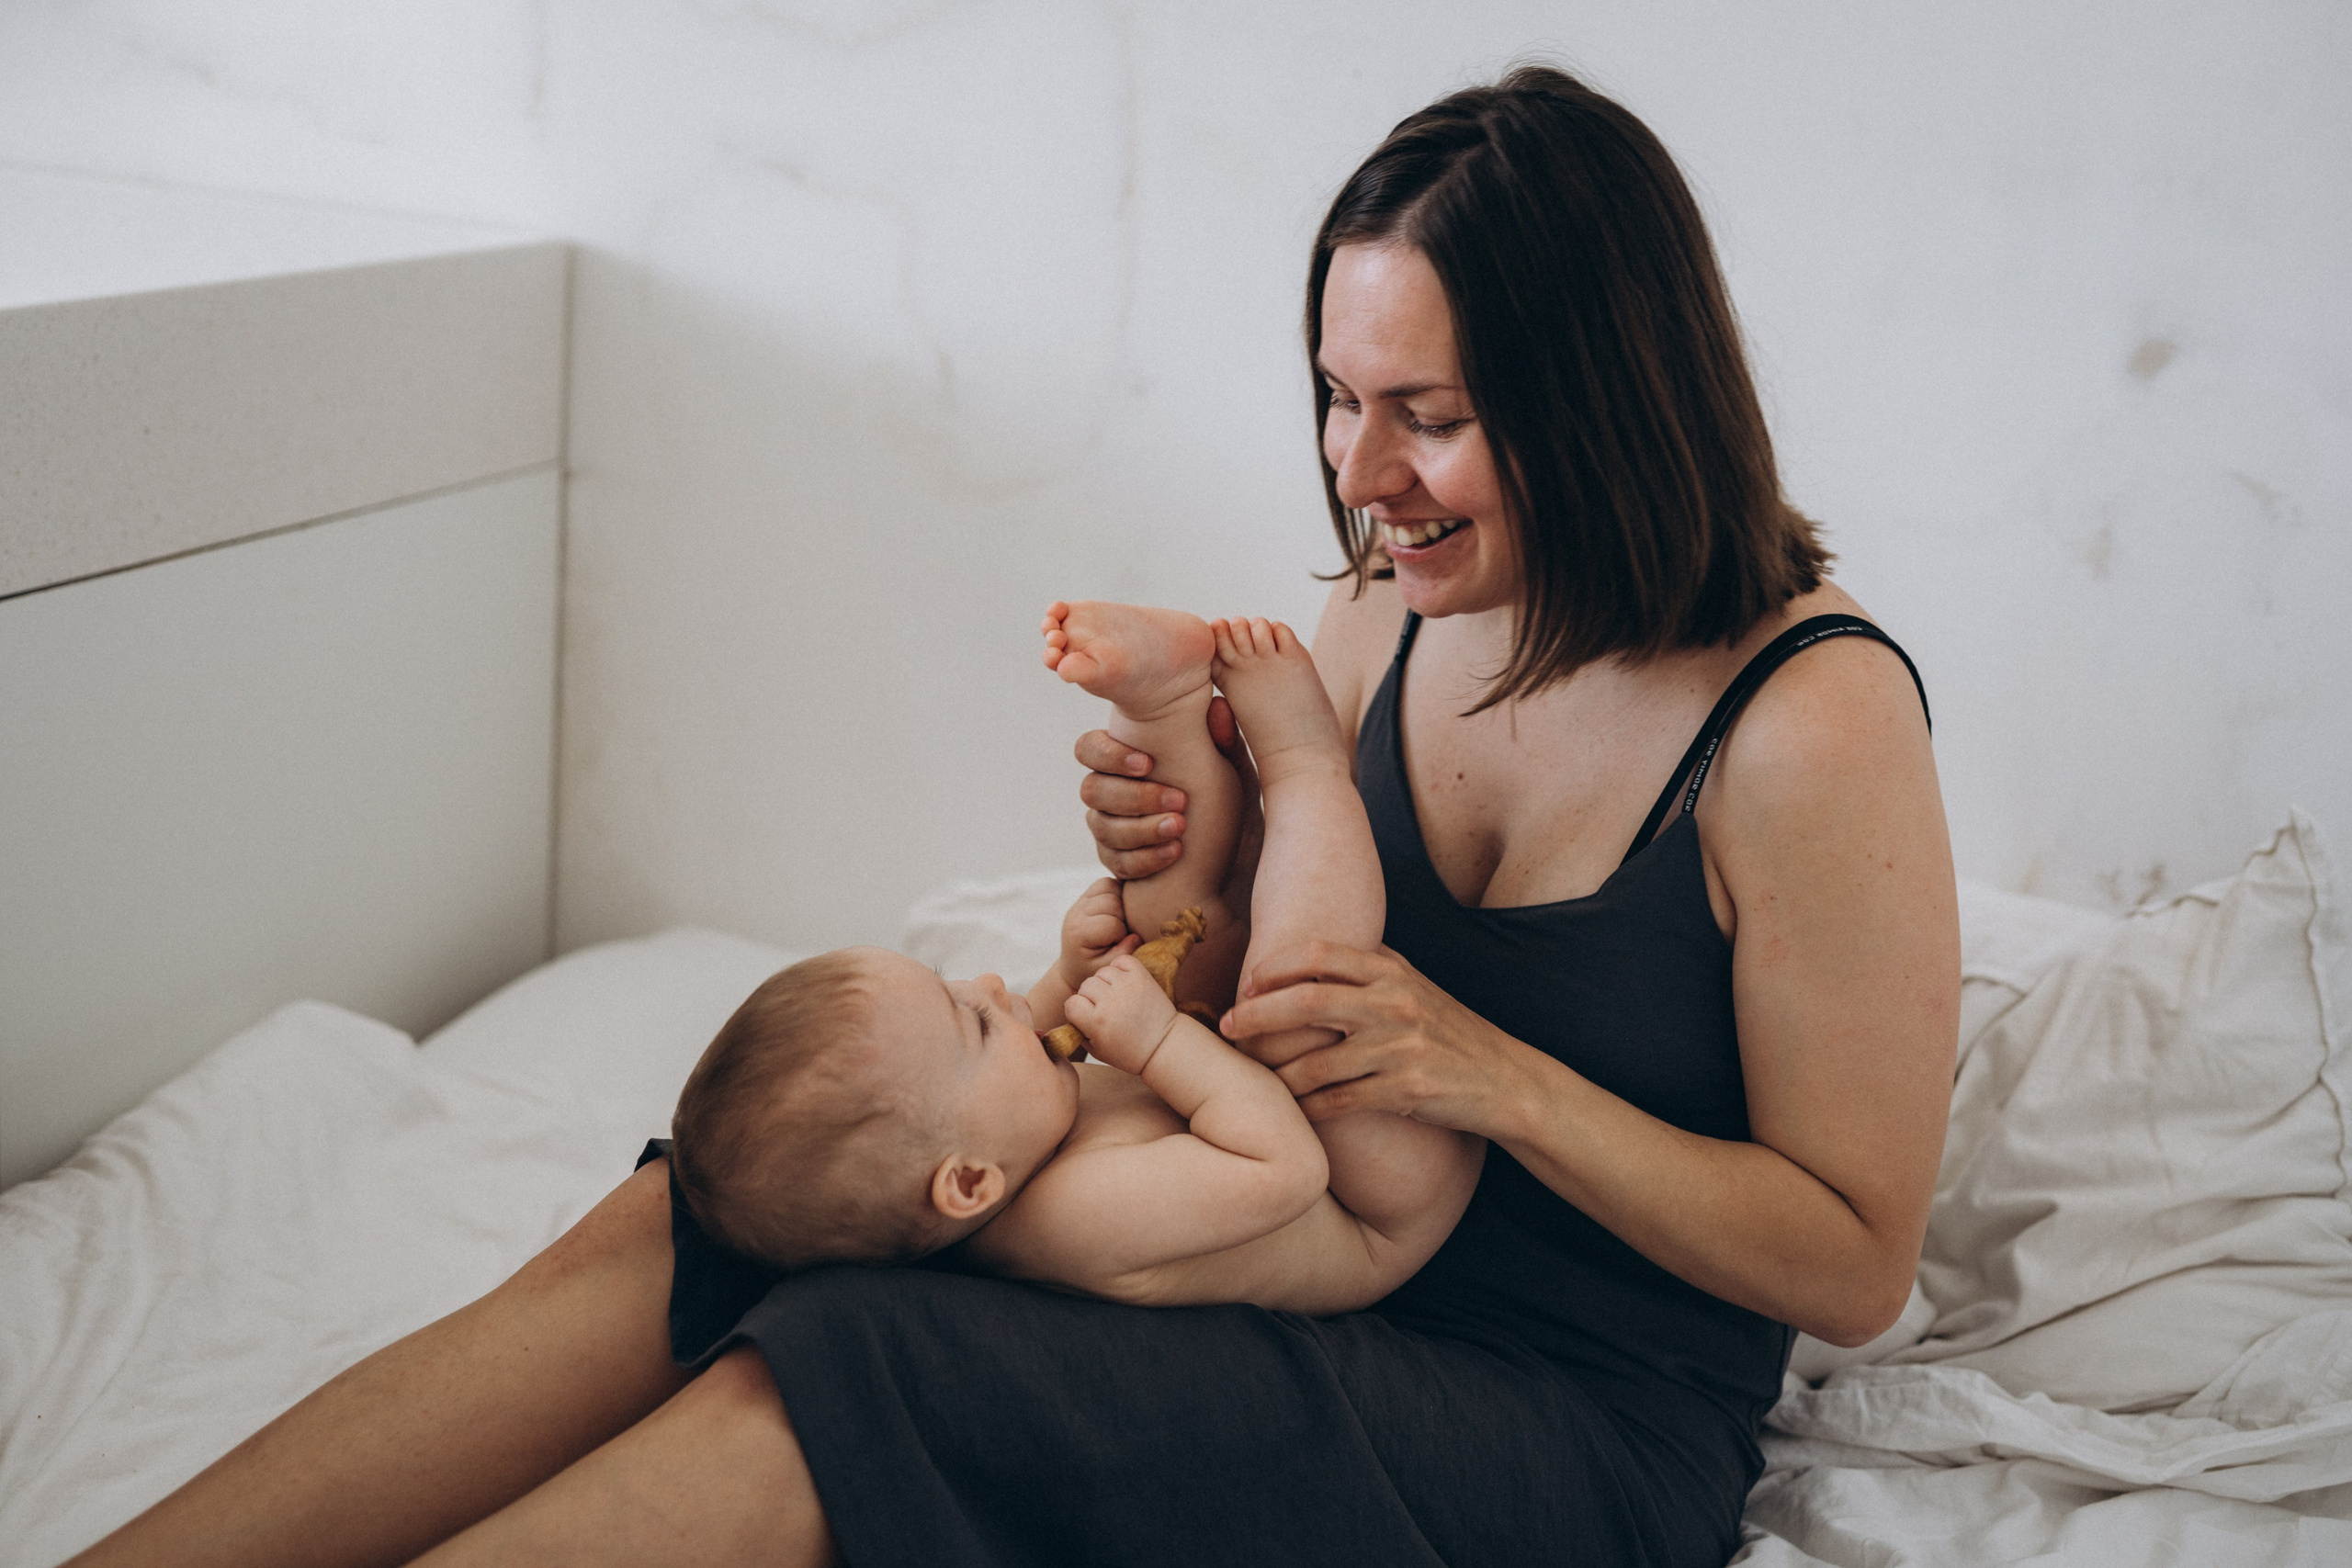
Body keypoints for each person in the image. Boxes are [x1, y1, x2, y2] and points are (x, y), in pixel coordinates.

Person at [64, 63, 1956, 1568]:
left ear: (1603, 401)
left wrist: (1497, 1077)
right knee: (718, 1205)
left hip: (1557, 1418)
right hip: (1274, 1235)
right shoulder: (1397, 596)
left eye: (1428, 415)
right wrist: (1171, 884)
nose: (1360, 473)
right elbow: (1264, 985)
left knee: (854, 1364)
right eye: (1335, 397)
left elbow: (1854, 1256)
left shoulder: (1807, 719)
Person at [664, 609, 1476, 1314]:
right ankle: (1306, 761)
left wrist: (1069, 967)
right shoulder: (1072, 1218)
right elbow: (1286, 1165)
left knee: (1158, 912)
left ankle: (1161, 706)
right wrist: (1159, 1042)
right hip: (1374, 1196)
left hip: (1244, 1085)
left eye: (955, 986)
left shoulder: (994, 1130)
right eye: (975, 1022)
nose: (991, 984)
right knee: (1288, 995)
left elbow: (1043, 1047)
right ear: (968, 1183)